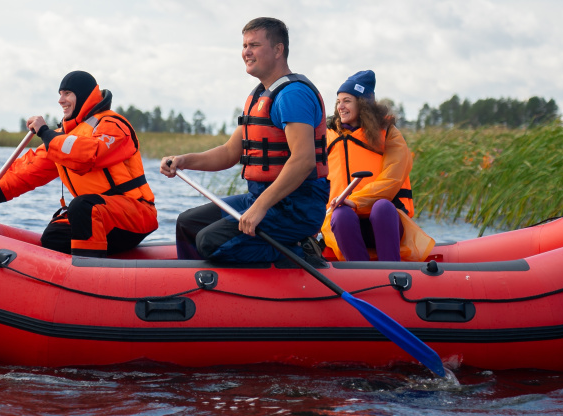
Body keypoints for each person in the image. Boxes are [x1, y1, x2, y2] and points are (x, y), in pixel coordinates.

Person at [161, 17, 329, 262]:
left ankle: (300, 250)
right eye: (244, 46)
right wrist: (183, 160)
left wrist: (260, 207)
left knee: (210, 242)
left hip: (296, 208)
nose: (246, 52)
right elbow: (230, 152)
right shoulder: (260, 96)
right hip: (262, 197)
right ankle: (196, 286)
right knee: (188, 223)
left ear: (278, 50)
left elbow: (303, 161)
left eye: (254, 45)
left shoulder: (293, 95)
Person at [0, 71, 158, 257]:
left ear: (83, 96)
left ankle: (91, 275)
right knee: (54, 236)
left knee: (82, 207)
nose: (61, 100)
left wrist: (44, 132)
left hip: (136, 215)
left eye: (67, 93)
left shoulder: (113, 125)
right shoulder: (63, 137)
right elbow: (28, 171)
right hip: (100, 215)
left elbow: (87, 155)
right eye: (60, 94)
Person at [321, 70, 434, 262]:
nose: (340, 107)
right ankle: (361, 275)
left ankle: (391, 271)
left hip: (385, 223)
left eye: (347, 101)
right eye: (338, 101)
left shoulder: (389, 134)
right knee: (341, 214)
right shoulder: (328, 136)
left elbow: (392, 180)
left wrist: (355, 201)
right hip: (342, 223)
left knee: (382, 207)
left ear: (363, 104)